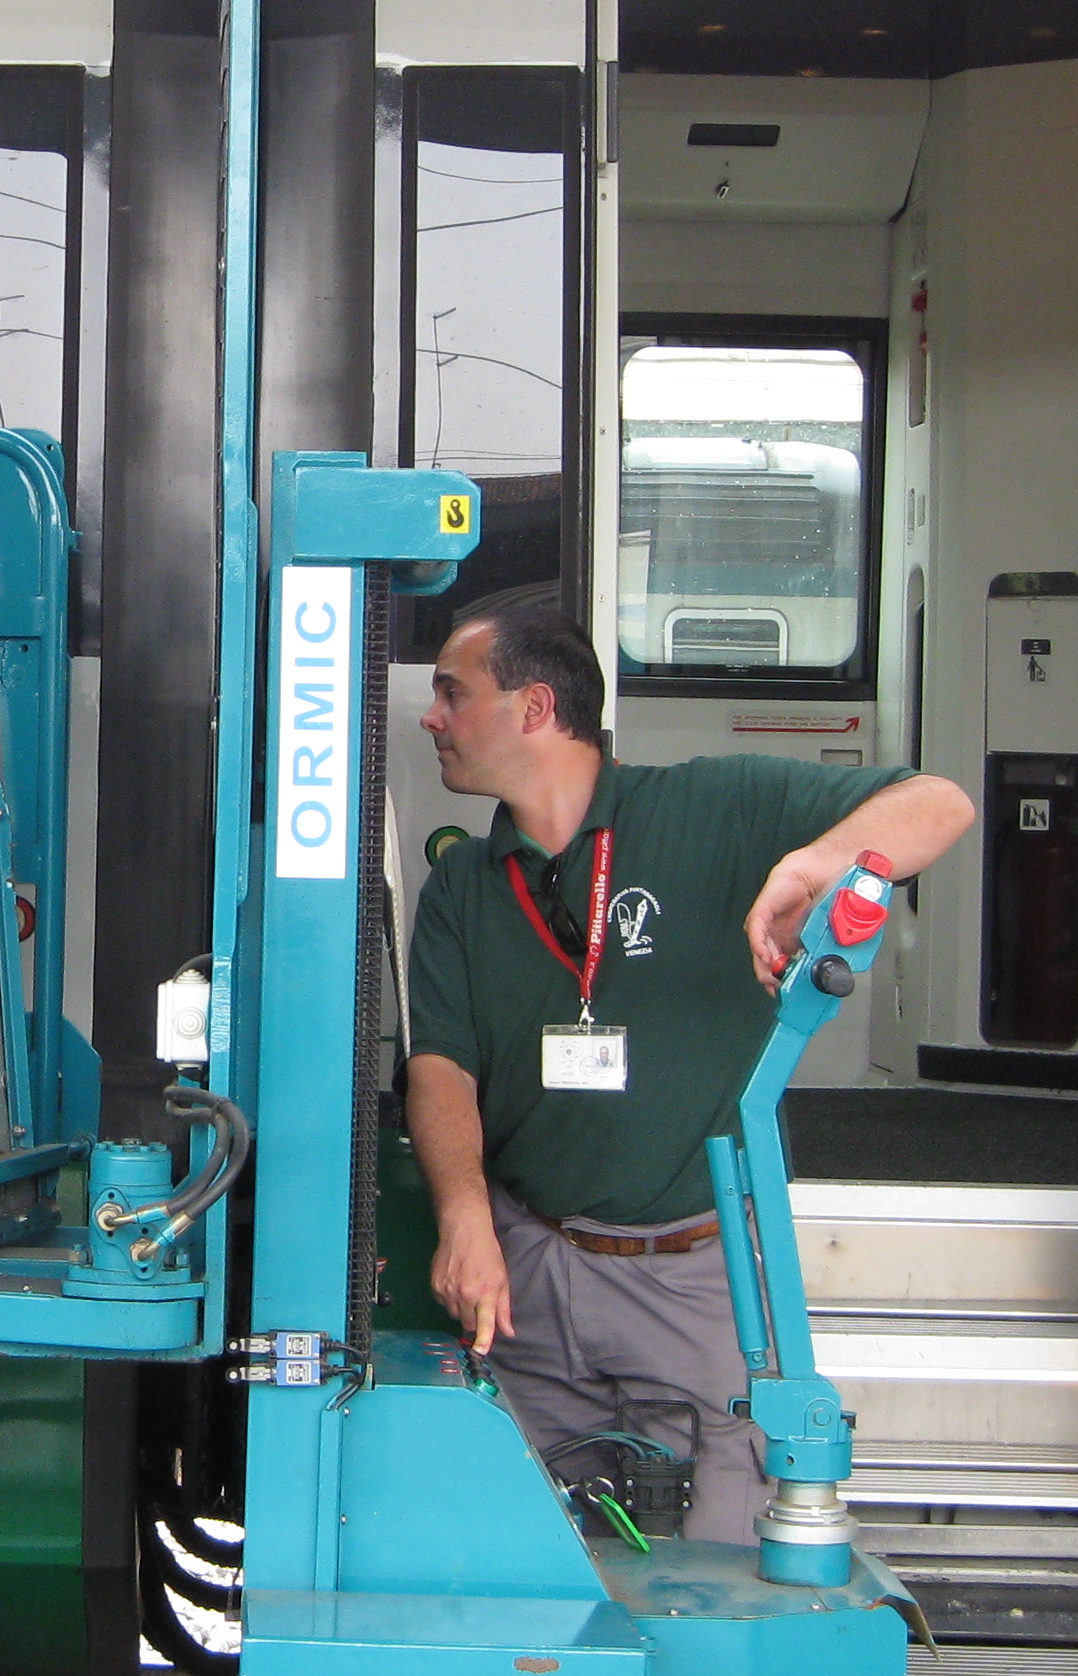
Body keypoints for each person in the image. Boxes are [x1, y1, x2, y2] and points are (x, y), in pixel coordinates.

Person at [402, 594, 974, 1543]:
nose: (430, 717)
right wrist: (466, 1222)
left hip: (691, 1272)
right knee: (544, 1569)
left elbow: (939, 804)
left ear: (536, 709)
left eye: (451, 694)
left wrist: (816, 867)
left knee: (727, 1567)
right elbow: (441, 1070)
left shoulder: (712, 807)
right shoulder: (465, 884)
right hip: (531, 1270)